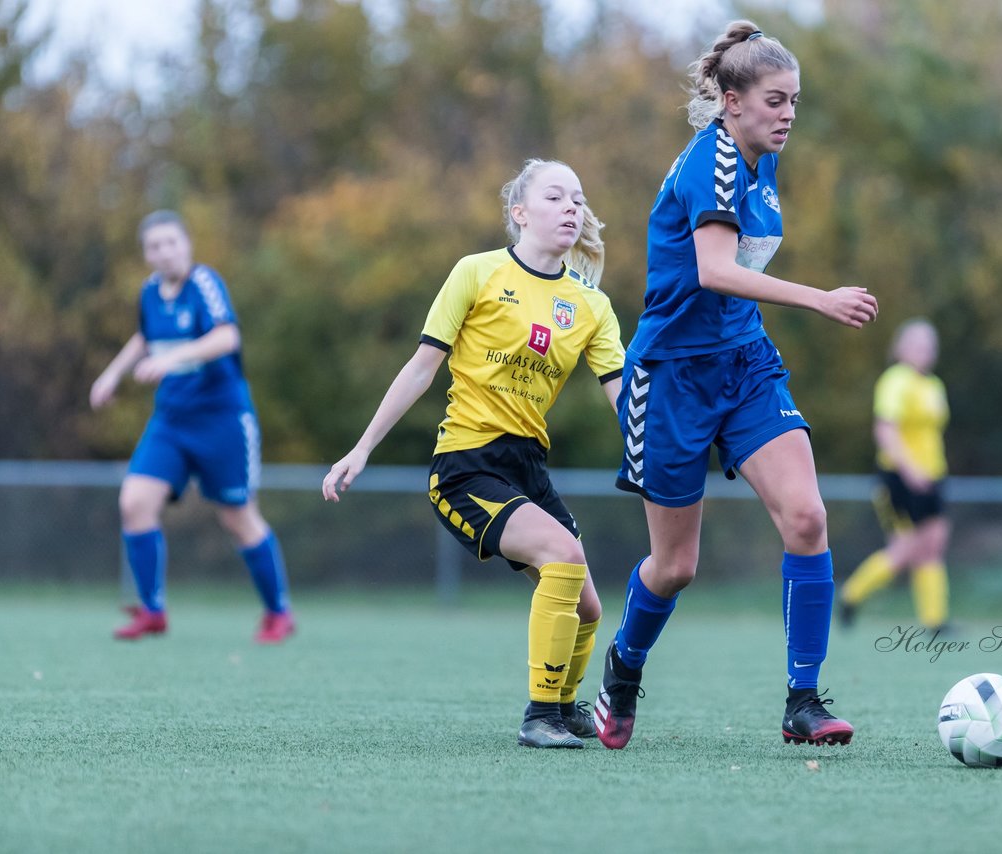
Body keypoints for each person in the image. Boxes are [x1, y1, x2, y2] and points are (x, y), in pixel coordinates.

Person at [594, 21, 879, 750]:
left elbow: (733, 286)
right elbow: (716, 271)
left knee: (808, 519)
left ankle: (803, 701)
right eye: (775, 101)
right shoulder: (711, 165)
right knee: (676, 566)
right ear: (731, 102)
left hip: (746, 364)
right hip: (671, 381)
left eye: (795, 102)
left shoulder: (762, 158)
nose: (788, 115)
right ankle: (623, 670)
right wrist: (820, 298)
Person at [322, 159, 625, 748]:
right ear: (520, 213)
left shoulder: (592, 306)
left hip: (529, 470)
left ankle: (564, 710)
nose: (572, 208)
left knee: (588, 608)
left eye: (579, 199)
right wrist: (362, 449)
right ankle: (539, 716)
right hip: (466, 465)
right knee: (563, 557)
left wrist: (667, 448)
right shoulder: (477, 272)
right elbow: (420, 369)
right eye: (556, 196)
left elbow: (626, 399)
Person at [90, 211, 295, 643]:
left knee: (237, 517)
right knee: (134, 502)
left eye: (171, 242)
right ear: (146, 253)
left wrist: (172, 359)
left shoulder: (204, 284)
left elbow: (227, 338)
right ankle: (152, 611)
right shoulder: (149, 292)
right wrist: (112, 374)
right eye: (154, 246)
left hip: (221, 420)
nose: (163, 252)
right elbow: (144, 337)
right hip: (171, 420)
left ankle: (278, 612)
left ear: (187, 245)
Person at [838, 319, 951, 634]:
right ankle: (850, 596)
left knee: (933, 545)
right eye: (917, 344)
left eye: (929, 345)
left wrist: (931, 470)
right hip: (899, 477)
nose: (924, 351)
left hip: (933, 476)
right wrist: (910, 469)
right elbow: (885, 430)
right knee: (903, 551)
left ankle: (935, 622)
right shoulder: (895, 380)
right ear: (901, 348)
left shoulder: (933, 385)